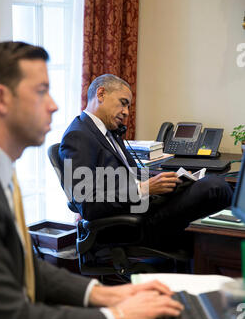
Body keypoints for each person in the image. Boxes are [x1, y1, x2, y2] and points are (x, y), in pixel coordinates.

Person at [0, 42, 184, 319]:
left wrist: (105, 295)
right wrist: (118, 316)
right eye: (42, 92)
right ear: (1, 99)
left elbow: (24, 268)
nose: (55, 106)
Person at [59, 74, 233, 249]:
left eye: (128, 106)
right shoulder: (78, 136)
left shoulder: (109, 132)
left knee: (209, 184)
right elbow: (87, 204)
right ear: (101, 94)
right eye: (123, 102)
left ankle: (208, 258)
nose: (126, 112)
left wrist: (169, 181)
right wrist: (144, 188)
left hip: (142, 209)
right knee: (214, 188)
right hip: (127, 225)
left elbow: (127, 176)